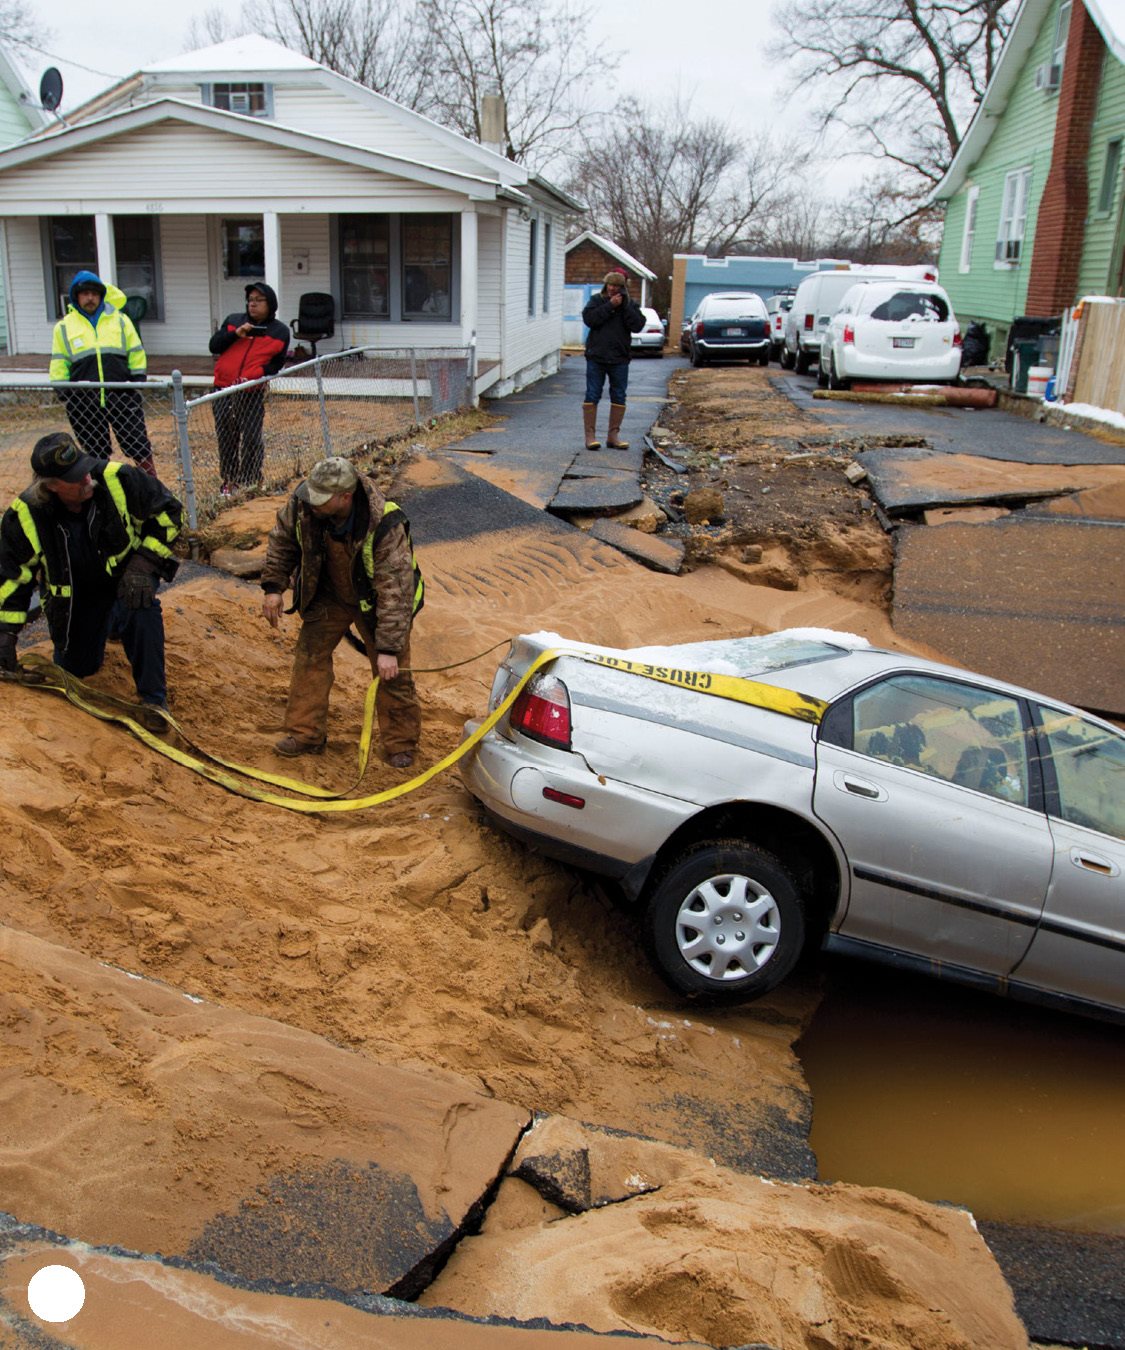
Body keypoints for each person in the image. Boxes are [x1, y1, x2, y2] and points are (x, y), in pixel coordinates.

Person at [0, 432, 183, 712]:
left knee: (141, 607)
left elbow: (170, 513)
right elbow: (14, 578)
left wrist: (143, 563)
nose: (86, 479)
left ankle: (154, 700)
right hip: (76, 601)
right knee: (77, 667)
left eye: (84, 469)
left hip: (127, 581)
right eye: (74, 478)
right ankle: (108, 624)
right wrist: (6, 634)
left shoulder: (118, 478)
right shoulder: (24, 516)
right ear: (51, 487)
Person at [260, 456, 423, 766]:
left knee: (393, 672)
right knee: (310, 657)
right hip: (328, 592)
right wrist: (272, 588)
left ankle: (400, 743)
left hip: (376, 601)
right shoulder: (305, 503)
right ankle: (306, 733)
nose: (313, 503)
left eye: (322, 499)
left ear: (345, 497)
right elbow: (282, 541)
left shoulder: (385, 523)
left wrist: (387, 647)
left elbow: (395, 590)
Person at [49, 271, 156, 476]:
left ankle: (153, 490)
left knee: (139, 446)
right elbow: (59, 361)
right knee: (96, 454)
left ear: (101, 295)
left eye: (94, 293)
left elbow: (136, 351)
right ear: (76, 296)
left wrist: (136, 381)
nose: (90, 298)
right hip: (84, 403)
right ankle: (104, 494)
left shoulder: (121, 321)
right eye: (85, 293)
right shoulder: (64, 327)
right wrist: (64, 391)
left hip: (122, 397)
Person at [208, 282, 291, 493]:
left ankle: (250, 480)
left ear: (270, 304)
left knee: (252, 437)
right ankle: (229, 480)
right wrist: (236, 333)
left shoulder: (279, 331)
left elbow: (276, 363)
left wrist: (257, 374)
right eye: (250, 300)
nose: (252, 305)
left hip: (251, 392)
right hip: (223, 389)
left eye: (258, 300)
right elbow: (214, 346)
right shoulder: (234, 321)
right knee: (227, 437)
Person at [581, 270, 645, 451]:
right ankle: (590, 436)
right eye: (610, 285)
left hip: (620, 358)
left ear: (623, 287)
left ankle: (613, 436)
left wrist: (624, 306)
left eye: (617, 286)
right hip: (596, 356)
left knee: (619, 395)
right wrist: (610, 306)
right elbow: (590, 320)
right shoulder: (596, 301)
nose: (613, 288)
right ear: (605, 285)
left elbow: (638, 325)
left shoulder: (630, 305)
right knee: (592, 394)